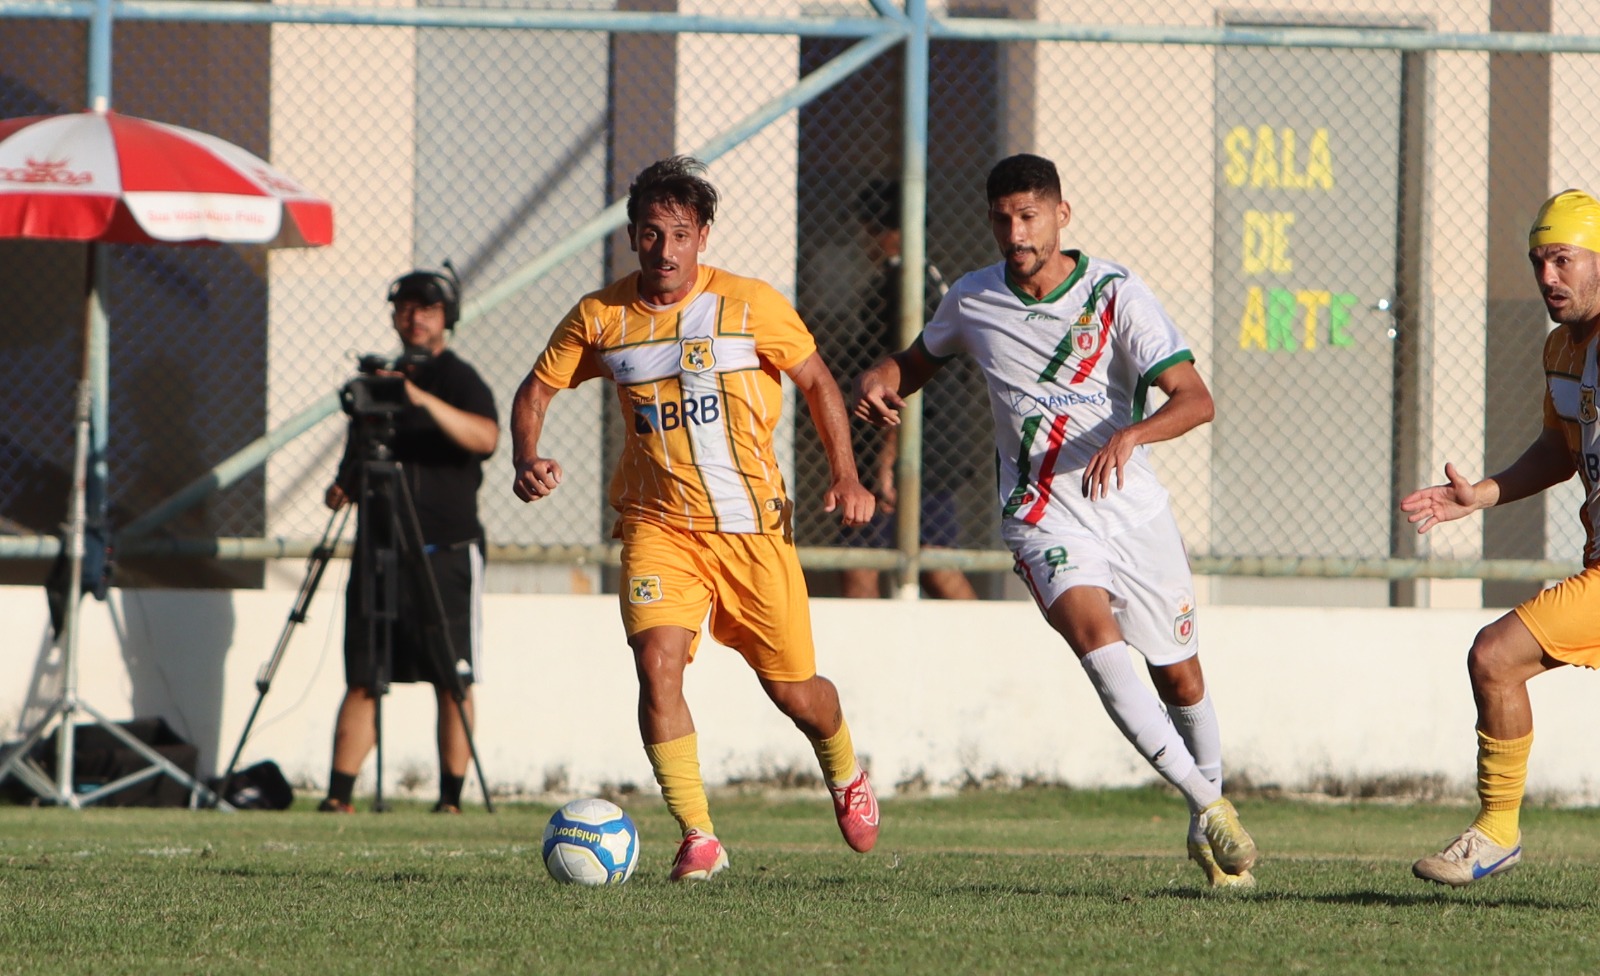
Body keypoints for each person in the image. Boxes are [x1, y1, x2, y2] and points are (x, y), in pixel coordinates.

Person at [852, 153, 1258, 888]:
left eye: (1030, 215)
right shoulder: (974, 299)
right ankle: (1211, 806)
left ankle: (1206, 819)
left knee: (1182, 677)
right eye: (1004, 218)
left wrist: (1133, 434)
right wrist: (882, 376)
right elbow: (916, 362)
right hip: (1043, 516)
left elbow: (1195, 398)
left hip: (1131, 508)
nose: (1017, 231)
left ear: (1062, 214)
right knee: (1097, 644)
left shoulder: (1114, 291)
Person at [510, 156, 881, 881]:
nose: (665, 250)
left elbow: (815, 379)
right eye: (651, 233)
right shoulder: (602, 316)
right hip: (658, 526)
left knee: (794, 691)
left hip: (751, 529)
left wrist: (845, 474)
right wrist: (527, 455)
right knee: (657, 666)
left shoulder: (751, 304)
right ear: (632, 236)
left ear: (703, 236)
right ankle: (698, 835)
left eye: (680, 234)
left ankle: (842, 768)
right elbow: (536, 388)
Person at [1401, 188, 1600, 886]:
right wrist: (1479, 496)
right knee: (1496, 661)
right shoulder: (1563, 351)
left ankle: (1496, 832)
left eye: (1563, 260)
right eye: (1538, 262)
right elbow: (1559, 448)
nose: (1548, 276)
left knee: (1495, 655)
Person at [318, 268, 500, 815]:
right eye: (406, 308)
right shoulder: (381, 381)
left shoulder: (458, 379)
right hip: (379, 551)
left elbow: (486, 437)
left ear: (446, 318)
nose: (414, 318)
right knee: (364, 676)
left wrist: (418, 397)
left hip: (443, 550)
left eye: (427, 309)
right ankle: (338, 798)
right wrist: (341, 487)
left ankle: (450, 799)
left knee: (451, 676)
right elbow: (355, 463)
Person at [840, 179, 978, 600]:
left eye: (869, 229)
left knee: (861, 558)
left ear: (887, 231)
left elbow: (901, 380)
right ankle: (990, 654)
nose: (866, 241)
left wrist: (888, 461)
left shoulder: (900, 283)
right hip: (934, 443)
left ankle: (857, 663)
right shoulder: (932, 277)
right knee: (935, 557)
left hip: (913, 445)